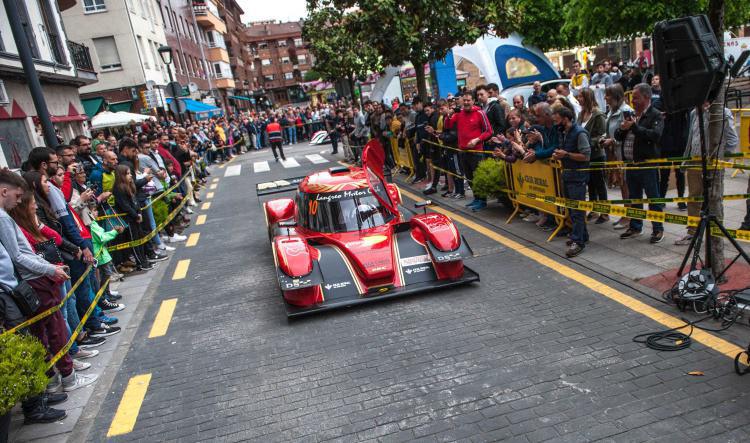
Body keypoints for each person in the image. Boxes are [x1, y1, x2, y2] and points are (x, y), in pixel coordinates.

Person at [0, 170, 98, 397]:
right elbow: (18, 256)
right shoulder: (5, 218)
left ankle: (55, 380)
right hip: (32, 282)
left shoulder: (7, 216)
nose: (21, 202)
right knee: (52, 330)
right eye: (18, 196)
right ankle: (63, 378)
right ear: (5, 191)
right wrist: (49, 269)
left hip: (35, 279)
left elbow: (24, 251)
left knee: (49, 329)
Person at [676, 102, 738, 245]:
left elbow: (732, 140)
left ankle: (715, 234)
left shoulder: (721, 112)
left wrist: (720, 160)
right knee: (693, 198)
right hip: (694, 162)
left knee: (714, 198)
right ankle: (692, 232)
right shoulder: (694, 113)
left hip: (712, 164)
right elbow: (692, 137)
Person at [614, 83, 665, 243]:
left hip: (647, 164)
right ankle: (635, 226)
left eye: (636, 97)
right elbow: (617, 136)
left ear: (646, 97)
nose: (633, 100)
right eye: (632, 97)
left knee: (653, 198)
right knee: (634, 198)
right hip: (631, 164)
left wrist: (634, 127)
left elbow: (655, 135)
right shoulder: (630, 114)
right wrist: (622, 129)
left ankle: (658, 229)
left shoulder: (655, 115)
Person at [551, 106, 591, 257]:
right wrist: (559, 155)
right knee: (573, 210)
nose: (555, 123)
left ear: (565, 119)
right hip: (567, 175)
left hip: (578, 177)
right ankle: (582, 236)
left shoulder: (579, 133)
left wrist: (566, 154)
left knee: (577, 210)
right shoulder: (563, 132)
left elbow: (586, 156)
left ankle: (578, 242)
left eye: (557, 119)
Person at [445, 91, 493, 211]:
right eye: (464, 100)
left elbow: (489, 131)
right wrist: (448, 115)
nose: (466, 102)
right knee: (469, 177)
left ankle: (482, 201)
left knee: (478, 176)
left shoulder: (480, 113)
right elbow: (448, 125)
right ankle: (476, 198)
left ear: (473, 101)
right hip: (463, 151)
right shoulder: (459, 114)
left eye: (468, 100)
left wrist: (477, 140)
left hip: (476, 151)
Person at [601, 84, 633, 229]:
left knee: (626, 184)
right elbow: (609, 130)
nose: (605, 98)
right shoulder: (611, 110)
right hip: (614, 153)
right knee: (621, 184)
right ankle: (626, 214)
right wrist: (604, 138)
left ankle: (629, 216)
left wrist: (612, 140)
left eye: (608, 95)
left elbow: (628, 133)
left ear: (616, 96)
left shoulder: (626, 110)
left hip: (623, 154)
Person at [577, 88, 608, 224]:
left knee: (599, 183)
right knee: (590, 184)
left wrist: (587, 142)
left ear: (587, 98)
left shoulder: (598, 114)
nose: (578, 99)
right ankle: (594, 209)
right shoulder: (581, 113)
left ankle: (605, 212)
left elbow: (602, 134)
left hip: (596, 154)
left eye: (580, 97)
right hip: (585, 155)